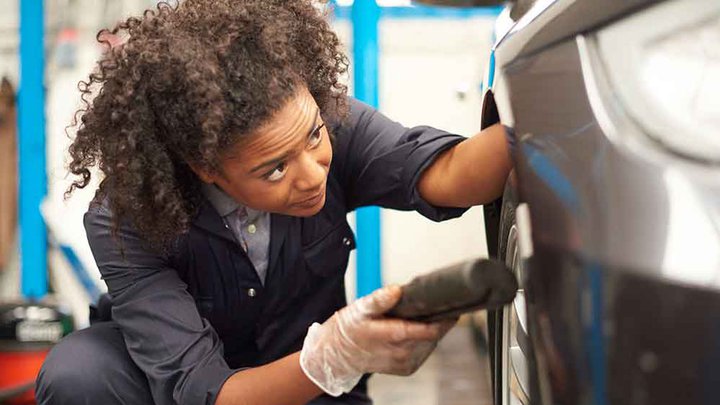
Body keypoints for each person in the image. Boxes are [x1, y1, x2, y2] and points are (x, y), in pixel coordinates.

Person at [35, 1, 513, 404]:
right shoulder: (127, 217)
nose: (312, 175)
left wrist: (536, 121)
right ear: (205, 167)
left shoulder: (329, 123)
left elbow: (448, 173)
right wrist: (332, 356)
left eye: (313, 136)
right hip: (209, 391)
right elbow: (208, 391)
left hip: (313, 395)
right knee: (80, 372)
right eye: (274, 170)